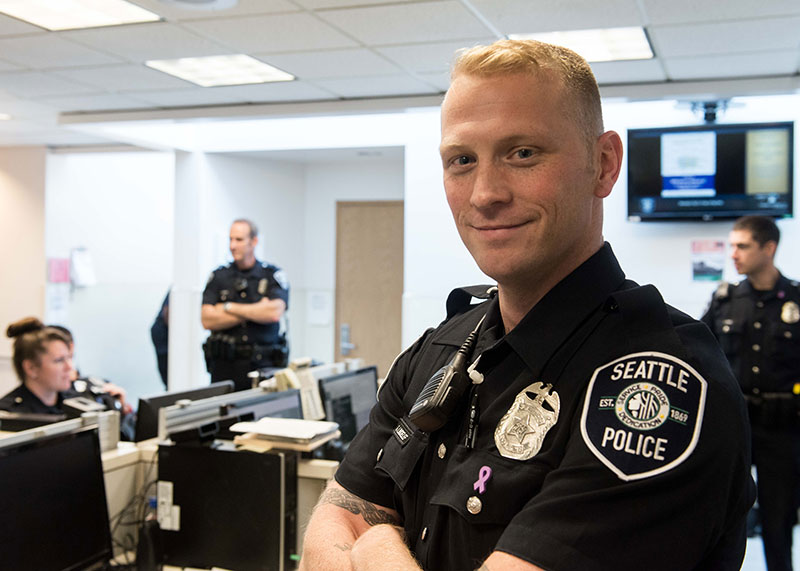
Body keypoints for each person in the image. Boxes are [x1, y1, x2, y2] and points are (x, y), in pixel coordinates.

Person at [299, 39, 755, 571]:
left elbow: (360, 534)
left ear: (604, 165)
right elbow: (332, 531)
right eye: (462, 160)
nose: (485, 193)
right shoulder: (440, 351)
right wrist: (359, 536)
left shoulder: (659, 392)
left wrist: (376, 545)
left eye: (523, 153)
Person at [701, 215, 800, 571]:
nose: (734, 254)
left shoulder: (796, 301)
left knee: (778, 524)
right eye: (732, 245)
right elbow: (701, 355)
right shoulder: (725, 300)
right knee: (722, 522)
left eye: (742, 245)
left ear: (768, 248)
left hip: (782, 430)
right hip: (734, 429)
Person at [201, 218, 289, 391]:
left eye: (239, 240)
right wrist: (256, 310)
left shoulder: (272, 275)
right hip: (225, 369)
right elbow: (207, 320)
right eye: (230, 239)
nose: (233, 245)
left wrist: (228, 307)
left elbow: (273, 313)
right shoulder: (219, 277)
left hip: (264, 366)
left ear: (254, 241)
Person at [151, 291, 170, 388]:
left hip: (164, 333)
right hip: (164, 336)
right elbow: (167, 313)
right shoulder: (182, 286)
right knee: (170, 379)